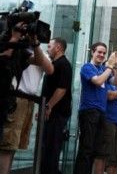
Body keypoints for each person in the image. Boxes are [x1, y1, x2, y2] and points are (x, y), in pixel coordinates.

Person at [0, 31, 53, 174]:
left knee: (14, 144)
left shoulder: (38, 52)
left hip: (29, 100)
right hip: (16, 98)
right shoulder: (19, 50)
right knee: (8, 144)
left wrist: (35, 44)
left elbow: (49, 69)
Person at [74, 42, 117, 174]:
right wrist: (109, 66)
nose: (101, 55)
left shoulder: (103, 69)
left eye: (104, 53)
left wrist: (115, 66)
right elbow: (98, 81)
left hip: (101, 112)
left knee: (96, 149)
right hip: (89, 111)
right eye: (99, 52)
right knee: (86, 148)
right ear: (92, 52)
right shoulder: (87, 67)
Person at [40, 37, 73, 174]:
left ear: (58, 47)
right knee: (47, 148)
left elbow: (62, 89)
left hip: (57, 114)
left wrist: (48, 106)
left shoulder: (63, 64)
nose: (47, 49)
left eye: (49, 46)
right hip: (51, 112)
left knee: (52, 150)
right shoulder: (56, 63)